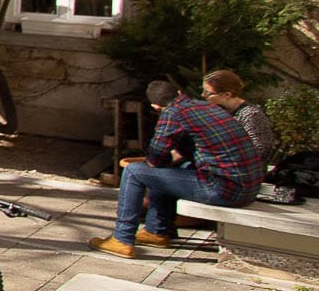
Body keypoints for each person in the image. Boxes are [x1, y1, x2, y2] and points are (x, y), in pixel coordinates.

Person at [93, 79, 264, 257]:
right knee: (168, 171)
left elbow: (156, 157)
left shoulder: (173, 113)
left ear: (156, 106)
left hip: (224, 188)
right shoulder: (206, 107)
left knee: (134, 171)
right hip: (247, 188)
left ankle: (122, 240)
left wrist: (157, 161)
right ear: (180, 92)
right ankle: (157, 231)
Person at [203, 69, 277, 165]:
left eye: (207, 93)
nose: (203, 95)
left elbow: (258, 151)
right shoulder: (221, 111)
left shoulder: (251, 115)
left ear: (227, 95)